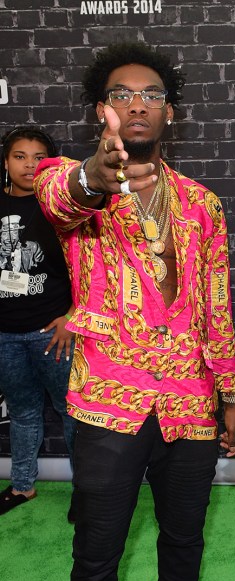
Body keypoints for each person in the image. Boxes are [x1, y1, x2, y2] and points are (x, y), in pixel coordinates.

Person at [34, 42, 235, 581]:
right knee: (96, 552)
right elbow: (67, 198)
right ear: (102, 108)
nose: (137, 103)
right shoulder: (73, 181)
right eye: (122, 93)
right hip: (108, 400)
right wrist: (97, 176)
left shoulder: (202, 204)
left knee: (184, 538)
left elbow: (216, 304)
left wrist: (231, 396)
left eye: (151, 94)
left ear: (170, 112)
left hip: (188, 403)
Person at [0, 126, 76, 516]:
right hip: (5, 336)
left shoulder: (60, 207)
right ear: (6, 161)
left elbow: (87, 269)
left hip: (53, 332)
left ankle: (88, 492)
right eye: (19, 156)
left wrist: (71, 317)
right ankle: (23, 485)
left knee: (71, 411)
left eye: (37, 157)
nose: (29, 165)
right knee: (23, 410)